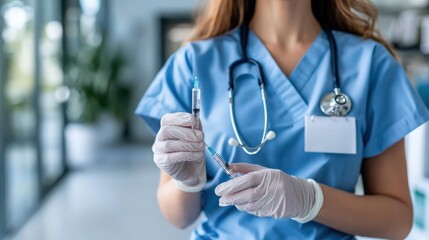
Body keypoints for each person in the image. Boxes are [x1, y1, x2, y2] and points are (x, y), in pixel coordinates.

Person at [135, 0, 429, 239]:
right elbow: (179, 217)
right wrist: (187, 181)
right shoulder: (196, 61)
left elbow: (396, 221)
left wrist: (310, 199)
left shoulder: (370, 64)